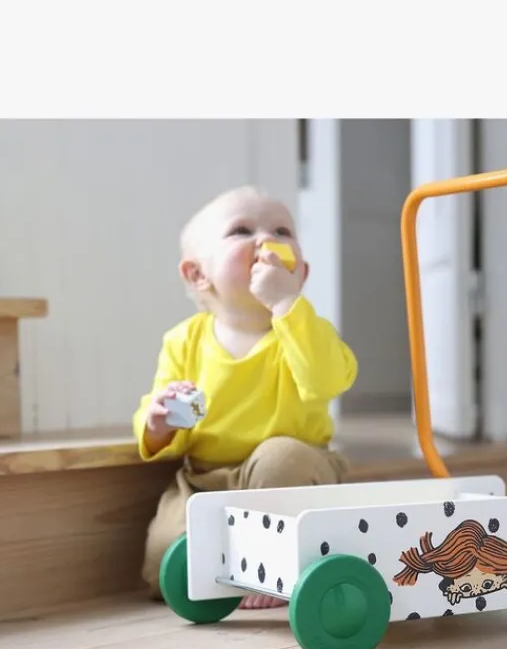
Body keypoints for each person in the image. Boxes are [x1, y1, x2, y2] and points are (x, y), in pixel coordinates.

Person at [135, 185, 358, 608]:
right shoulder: (183, 341)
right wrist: (160, 421)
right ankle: (235, 572)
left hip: (292, 475)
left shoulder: (307, 330)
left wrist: (287, 303)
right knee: (164, 560)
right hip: (206, 481)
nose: (266, 240)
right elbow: (170, 429)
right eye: (242, 231)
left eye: (282, 231)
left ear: (301, 273)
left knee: (280, 459)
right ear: (197, 274)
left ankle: (277, 566)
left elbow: (325, 381)